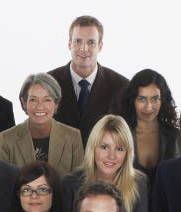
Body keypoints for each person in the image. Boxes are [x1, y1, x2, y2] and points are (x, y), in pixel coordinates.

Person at [62, 115, 149, 212]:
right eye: (104, 147)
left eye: (119, 149)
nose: (111, 156)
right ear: (93, 148)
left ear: (128, 153)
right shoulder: (71, 184)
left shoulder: (138, 183)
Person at [48, 16, 127, 145]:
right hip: (57, 163)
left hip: (103, 163)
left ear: (100, 46)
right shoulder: (48, 83)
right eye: (78, 41)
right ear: (69, 44)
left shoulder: (121, 87)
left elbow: (125, 138)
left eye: (91, 42)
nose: (84, 48)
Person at [0, 73, 83, 176]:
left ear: (56, 103)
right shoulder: (7, 139)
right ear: (23, 102)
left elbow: (79, 185)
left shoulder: (73, 137)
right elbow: (4, 184)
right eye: (33, 100)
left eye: (47, 100)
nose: (40, 107)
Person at [113, 68, 181, 189]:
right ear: (132, 100)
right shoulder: (120, 134)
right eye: (142, 99)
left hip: (167, 207)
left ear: (163, 100)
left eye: (155, 99)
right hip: (128, 206)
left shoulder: (176, 136)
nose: (149, 107)